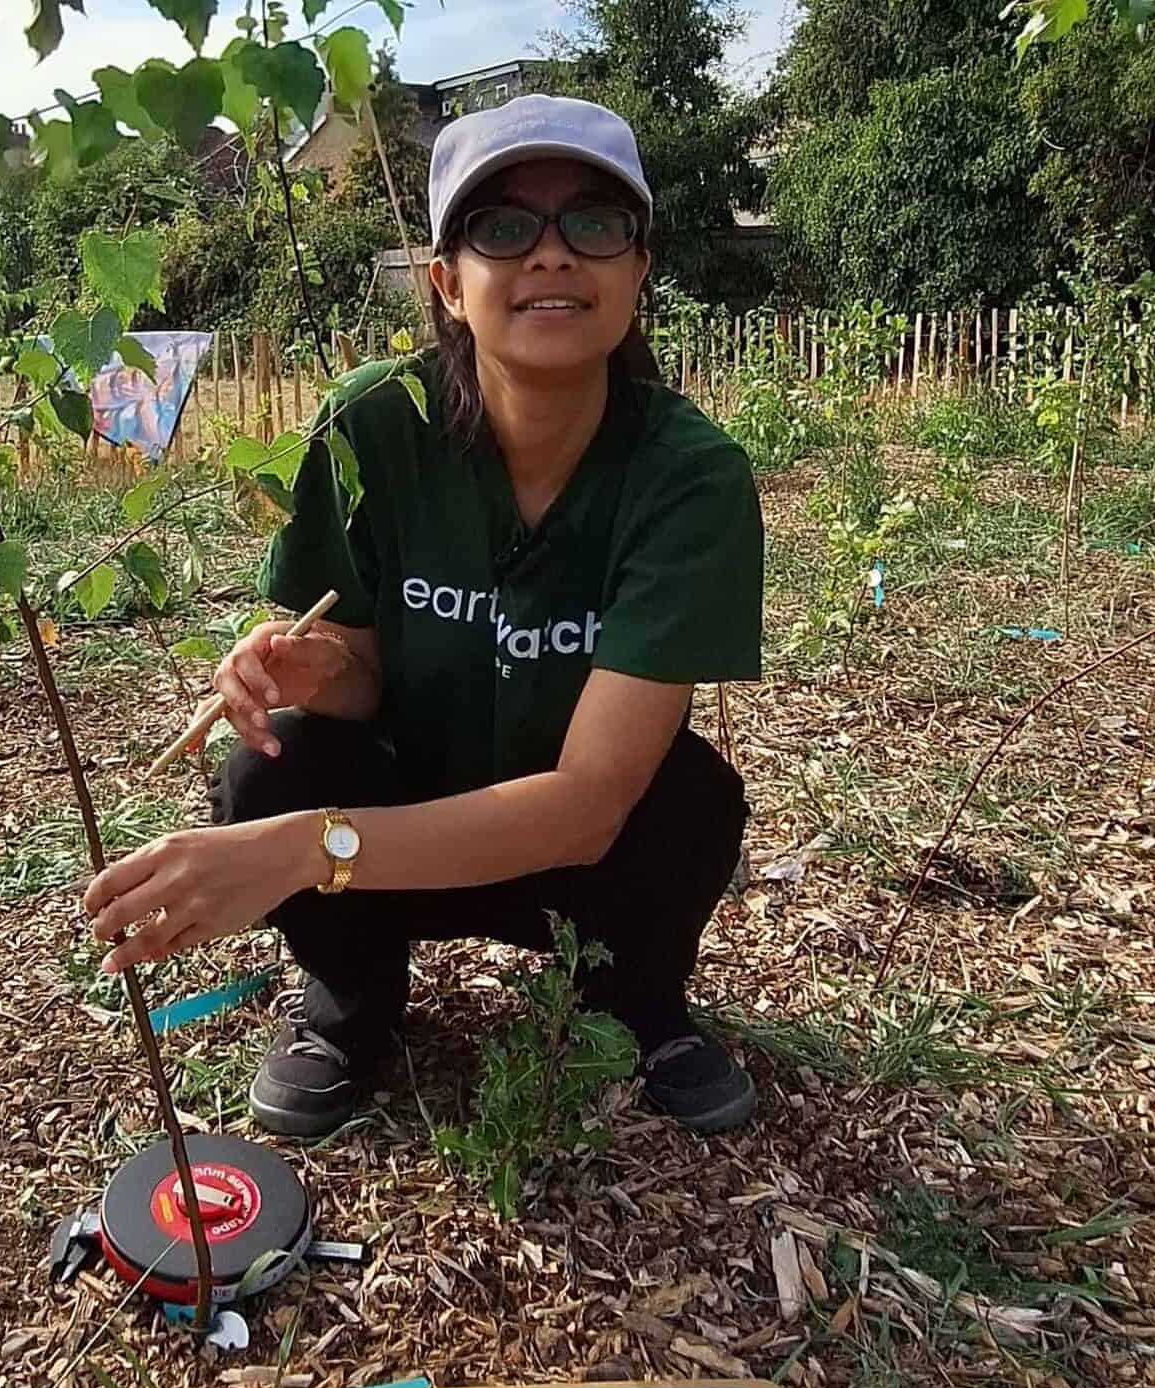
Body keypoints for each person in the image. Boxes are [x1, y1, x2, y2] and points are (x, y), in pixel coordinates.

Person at [84, 95, 762, 1139]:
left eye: (591, 223)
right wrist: (318, 674)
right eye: (501, 228)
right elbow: (359, 670)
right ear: (446, 282)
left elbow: (587, 805)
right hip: (403, 833)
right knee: (271, 763)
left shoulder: (689, 477)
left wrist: (302, 850)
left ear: (637, 268)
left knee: (691, 800)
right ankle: (350, 1008)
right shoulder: (370, 426)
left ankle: (632, 1007)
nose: (548, 257)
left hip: (577, 856)